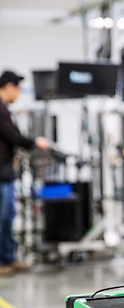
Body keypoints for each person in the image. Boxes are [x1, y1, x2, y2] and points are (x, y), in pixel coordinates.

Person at [0, 71, 51, 275]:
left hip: (5, 172)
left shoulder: (5, 109)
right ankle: (3, 261)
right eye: (18, 88)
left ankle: (8, 258)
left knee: (9, 216)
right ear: (10, 87)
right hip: (1, 174)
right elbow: (13, 136)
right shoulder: (0, 110)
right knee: (3, 218)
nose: (19, 93)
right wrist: (34, 143)